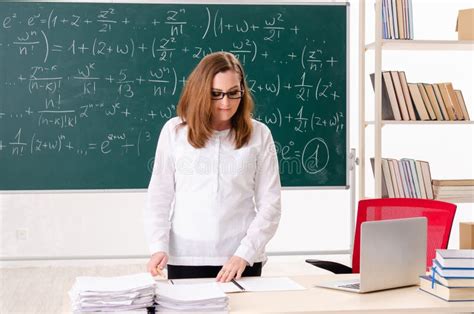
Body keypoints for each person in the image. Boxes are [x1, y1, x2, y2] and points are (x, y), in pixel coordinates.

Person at [144, 52, 281, 282]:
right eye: (216, 94)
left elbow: (271, 204)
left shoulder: (259, 134)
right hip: (187, 258)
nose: (226, 103)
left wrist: (244, 254)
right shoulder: (174, 131)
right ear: (200, 92)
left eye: (233, 93)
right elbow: (159, 196)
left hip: (240, 259)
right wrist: (158, 246)